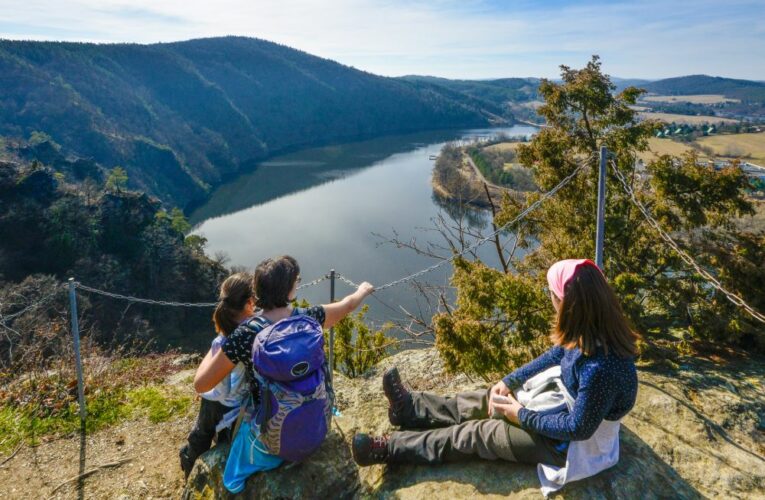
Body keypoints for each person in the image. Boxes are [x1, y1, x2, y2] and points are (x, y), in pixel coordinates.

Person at [352, 259, 639, 494]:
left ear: (568, 304)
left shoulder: (602, 368)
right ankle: (409, 409)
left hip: (567, 447)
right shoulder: (591, 329)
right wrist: (508, 381)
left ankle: (389, 448)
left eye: (550, 294)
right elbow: (555, 355)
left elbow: (578, 429)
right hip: (560, 406)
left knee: (477, 434)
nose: (549, 299)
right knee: (485, 399)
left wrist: (520, 415)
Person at [194, 255, 374, 493]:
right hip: (316, 425)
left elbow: (201, 384)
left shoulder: (245, 334)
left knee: (233, 476)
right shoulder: (309, 318)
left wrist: (217, 345)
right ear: (290, 291)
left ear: (257, 292)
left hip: (271, 438)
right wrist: (362, 290)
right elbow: (348, 305)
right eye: (296, 281)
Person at [179, 272, 255, 479]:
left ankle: (190, 460)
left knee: (202, 432)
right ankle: (193, 464)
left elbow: (214, 388)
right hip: (238, 402)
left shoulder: (223, 341)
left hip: (218, 402)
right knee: (208, 432)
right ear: (249, 304)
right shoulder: (253, 331)